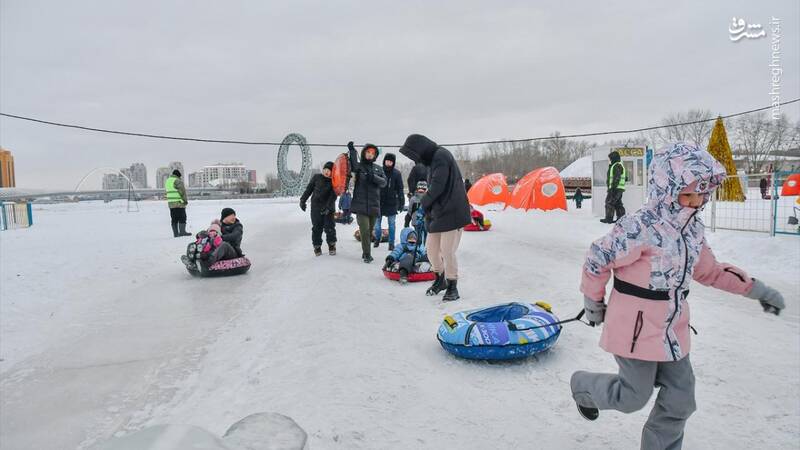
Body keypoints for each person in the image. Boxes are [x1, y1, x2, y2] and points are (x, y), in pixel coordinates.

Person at [570, 143, 785, 450]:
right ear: (665, 189)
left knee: (681, 399)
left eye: (701, 194)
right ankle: (584, 387)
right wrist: (593, 302)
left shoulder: (692, 231)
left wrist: (758, 290)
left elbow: (712, 271)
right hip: (634, 328)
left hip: (673, 331)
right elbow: (597, 258)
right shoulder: (640, 227)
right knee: (633, 396)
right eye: (687, 194)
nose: (695, 202)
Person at [399, 134, 471, 302]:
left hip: (453, 212)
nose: (416, 160)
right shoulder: (432, 161)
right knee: (431, 251)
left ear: (420, 149)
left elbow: (437, 186)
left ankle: (452, 285)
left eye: (414, 155)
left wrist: (422, 204)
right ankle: (440, 280)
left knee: (447, 251)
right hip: (438, 213)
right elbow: (434, 188)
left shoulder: (441, 156)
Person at [348, 141, 388, 263]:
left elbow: (384, 182)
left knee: (370, 231)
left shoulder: (378, 168)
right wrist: (352, 151)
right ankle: (367, 254)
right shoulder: (359, 167)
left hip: (374, 205)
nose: (370, 154)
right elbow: (353, 163)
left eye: (372, 153)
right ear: (364, 153)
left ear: (375, 155)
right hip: (360, 204)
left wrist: (373, 177)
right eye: (368, 152)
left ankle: (366, 250)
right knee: (364, 230)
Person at [300, 162, 337, 256]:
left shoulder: (334, 181)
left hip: (328, 209)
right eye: (325, 170)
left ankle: (331, 245)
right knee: (316, 228)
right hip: (316, 208)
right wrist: (302, 200)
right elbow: (309, 189)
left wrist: (328, 208)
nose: (326, 172)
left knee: (330, 228)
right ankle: (317, 246)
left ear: (332, 172)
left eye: (329, 171)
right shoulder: (317, 177)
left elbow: (333, 196)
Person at [375, 153, 405, 251]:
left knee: (391, 224)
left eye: (391, 161)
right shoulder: (379, 171)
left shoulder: (396, 173)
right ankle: (377, 238)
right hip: (379, 202)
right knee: (377, 224)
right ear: (384, 161)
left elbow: (400, 188)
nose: (389, 163)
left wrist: (401, 202)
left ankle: (391, 243)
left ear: (393, 163)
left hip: (392, 203)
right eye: (387, 161)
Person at [600, 151, 626, 223]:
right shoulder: (618, 165)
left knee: (609, 202)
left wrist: (613, 188)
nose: (610, 160)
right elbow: (625, 177)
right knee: (618, 203)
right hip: (618, 189)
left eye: (610, 158)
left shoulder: (616, 165)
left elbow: (617, 177)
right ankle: (621, 218)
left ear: (614, 158)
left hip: (615, 188)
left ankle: (609, 218)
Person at [165, 170, 191, 237]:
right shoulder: (177, 181)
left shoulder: (168, 181)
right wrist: (185, 201)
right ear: (178, 175)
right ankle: (182, 232)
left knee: (174, 219)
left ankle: (176, 233)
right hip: (179, 203)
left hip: (171, 203)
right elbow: (182, 192)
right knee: (182, 217)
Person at [405, 181, 428, 245]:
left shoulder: (414, 198)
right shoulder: (414, 199)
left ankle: (422, 249)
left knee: (421, 237)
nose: (421, 191)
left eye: (422, 190)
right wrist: (407, 220)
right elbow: (410, 211)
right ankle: (421, 250)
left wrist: (407, 220)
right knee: (421, 237)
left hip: (422, 221)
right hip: (419, 221)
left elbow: (409, 211)